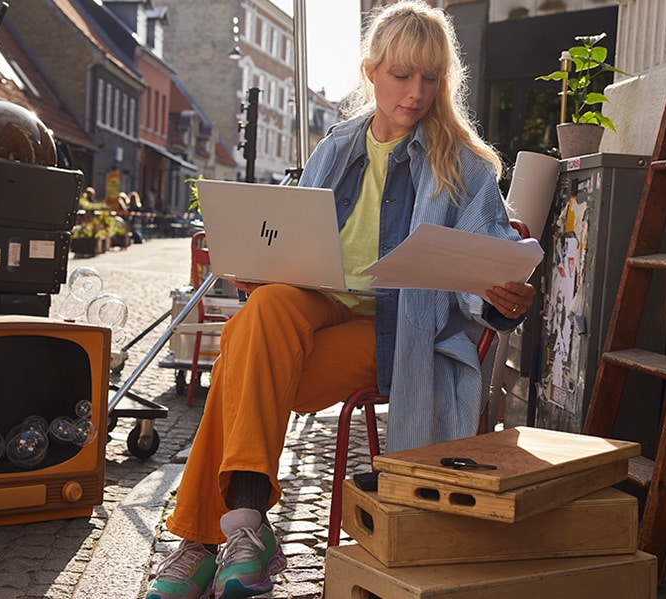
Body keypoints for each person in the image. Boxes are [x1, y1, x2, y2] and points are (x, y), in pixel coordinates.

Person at [145, 3, 536, 598]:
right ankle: (246, 524)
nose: (416, 91)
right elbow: (294, 234)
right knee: (266, 308)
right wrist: (261, 265)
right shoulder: (338, 145)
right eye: (402, 74)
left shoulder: (464, 164)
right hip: (317, 303)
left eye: (430, 77)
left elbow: (492, 252)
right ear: (371, 71)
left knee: (241, 366)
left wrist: (504, 296)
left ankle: (204, 540)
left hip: (397, 325)